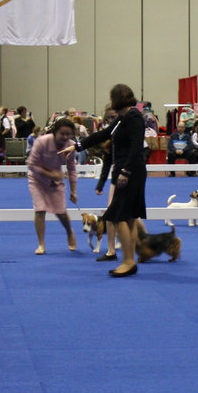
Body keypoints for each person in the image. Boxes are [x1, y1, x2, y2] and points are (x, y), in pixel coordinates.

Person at [80, 85, 146, 277]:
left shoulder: (133, 117)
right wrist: (78, 145)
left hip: (129, 171)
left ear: (117, 98)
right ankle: (130, 260)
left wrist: (125, 171)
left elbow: (136, 146)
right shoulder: (123, 116)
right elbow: (104, 134)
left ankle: (127, 261)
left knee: (119, 217)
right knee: (130, 218)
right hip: (129, 170)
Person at [26, 118, 79, 254]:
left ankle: (69, 232)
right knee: (40, 210)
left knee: (61, 212)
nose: (66, 137)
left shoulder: (71, 145)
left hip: (55, 183)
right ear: (55, 132)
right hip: (37, 181)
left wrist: (73, 191)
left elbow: (72, 169)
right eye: (63, 134)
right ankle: (41, 244)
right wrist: (50, 174)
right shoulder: (42, 141)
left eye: (69, 134)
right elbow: (31, 164)